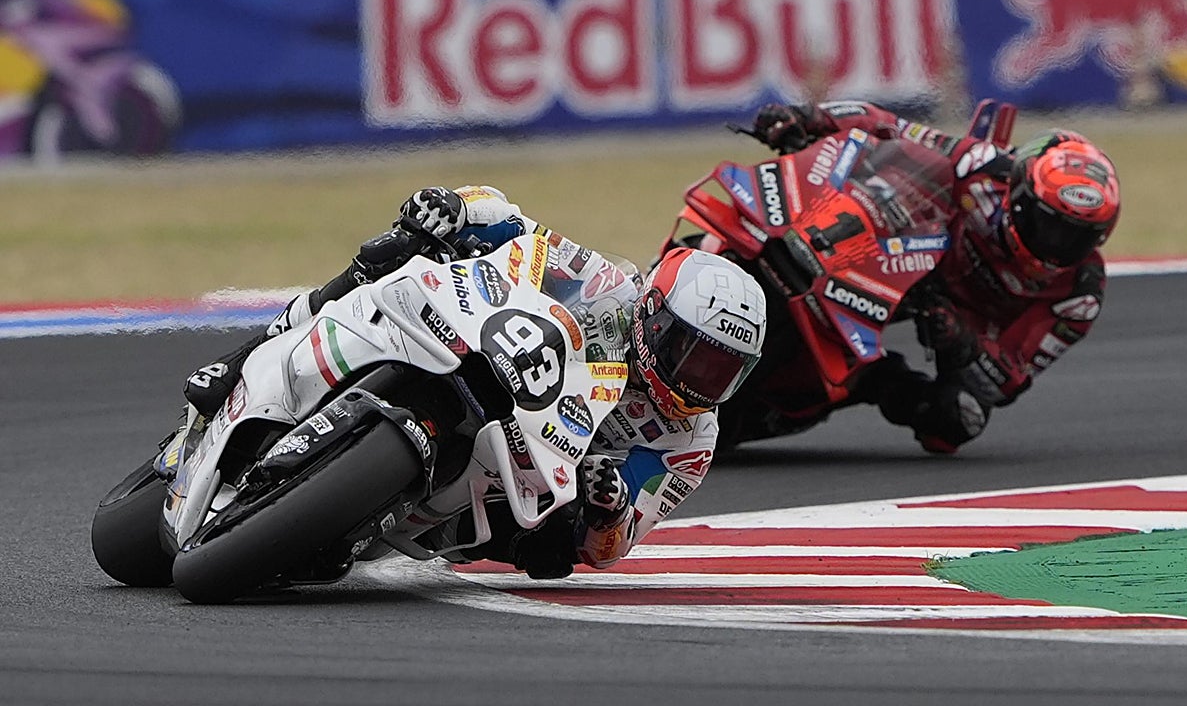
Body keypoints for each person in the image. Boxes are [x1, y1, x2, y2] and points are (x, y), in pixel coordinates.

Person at [183, 185, 768, 577]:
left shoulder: (691, 441)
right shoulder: (608, 284)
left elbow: (615, 546)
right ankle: (243, 359)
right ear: (655, 317)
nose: (700, 380)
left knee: (552, 552)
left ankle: (361, 516)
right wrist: (454, 209)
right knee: (393, 254)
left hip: (522, 473)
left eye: (721, 372)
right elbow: (515, 225)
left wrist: (609, 507)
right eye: (694, 356)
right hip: (478, 352)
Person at [743, 100, 1120, 454]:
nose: (1057, 245)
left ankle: (871, 380)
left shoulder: (1079, 295)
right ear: (1019, 195)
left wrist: (963, 343)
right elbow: (889, 126)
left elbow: (1010, 378)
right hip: (906, 248)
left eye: (1078, 238)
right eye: (1049, 225)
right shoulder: (984, 168)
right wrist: (809, 118)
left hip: (954, 319)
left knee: (958, 420)